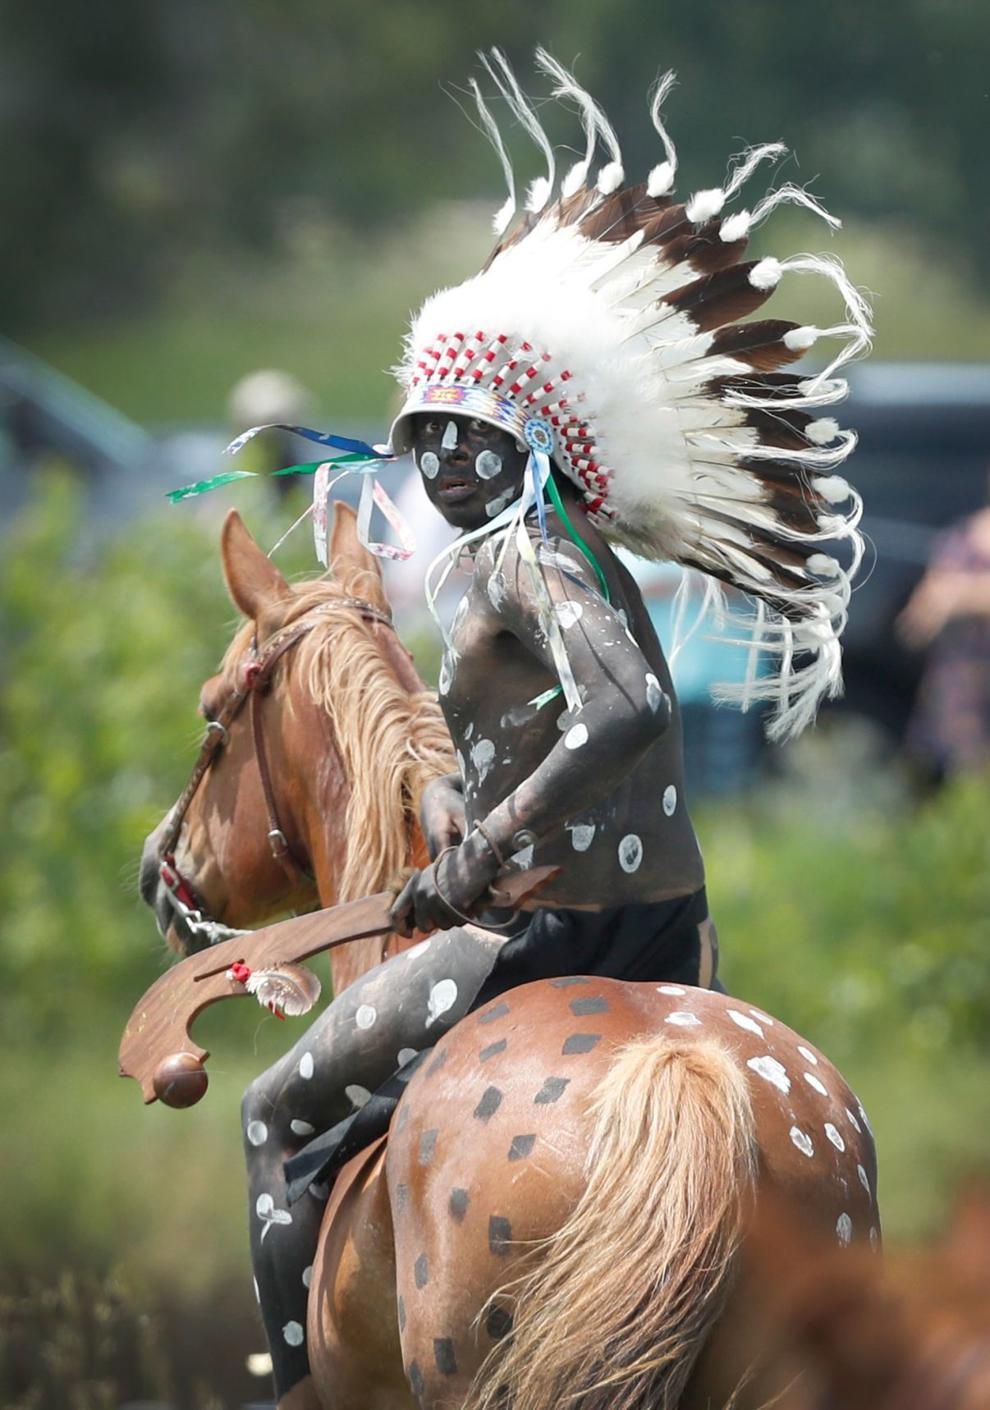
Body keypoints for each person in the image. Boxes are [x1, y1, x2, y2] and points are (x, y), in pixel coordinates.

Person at [233, 50, 869, 1409]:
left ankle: (291, 1391)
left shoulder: (527, 552)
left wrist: (482, 851)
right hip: (674, 932)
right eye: (428, 440)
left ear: (523, 443)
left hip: (545, 932)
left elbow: (627, 707)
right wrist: (459, 804)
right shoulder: (522, 554)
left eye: (470, 437)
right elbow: (532, 725)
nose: (447, 463)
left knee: (272, 1110)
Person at [898, 481, 990, 779]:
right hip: (960, 682)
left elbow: (949, 593)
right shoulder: (962, 535)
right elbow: (923, 610)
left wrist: (962, 593)